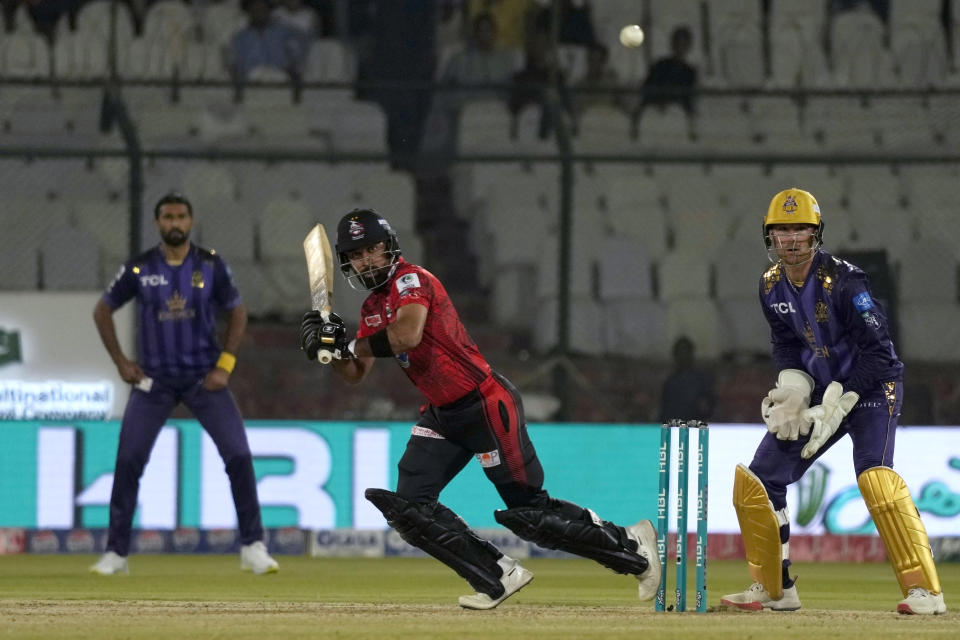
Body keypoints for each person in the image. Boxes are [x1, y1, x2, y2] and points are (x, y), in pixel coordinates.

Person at [298, 208, 660, 610]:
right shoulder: (371, 308)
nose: (366, 260)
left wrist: (346, 345)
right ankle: (497, 574)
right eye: (356, 254)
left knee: (528, 513)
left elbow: (406, 336)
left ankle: (633, 545)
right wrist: (326, 350)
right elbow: (355, 373)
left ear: (389, 247)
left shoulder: (412, 280)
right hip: (443, 414)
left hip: (484, 404)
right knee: (411, 508)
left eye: (372, 249)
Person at [720, 188, 947, 615]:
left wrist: (841, 404)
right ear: (770, 236)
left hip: (873, 388)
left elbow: (881, 354)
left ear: (816, 233)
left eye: (799, 229)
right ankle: (775, 589)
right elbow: (785, 343)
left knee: (875, 477)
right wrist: (793, 389)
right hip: (821, 391)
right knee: (760, 481)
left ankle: (926, 592)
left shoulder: (845, 281)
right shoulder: (770, 286)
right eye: (781, 230)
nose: (790, 239)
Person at [90, 192, 278, 577]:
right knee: (128, 461)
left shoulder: (211, 265)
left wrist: (225, 364)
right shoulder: (140, 268)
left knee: (239, 457)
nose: (174, 223)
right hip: (153, 382)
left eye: (180, 217)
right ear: (158, 223)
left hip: (202, 380)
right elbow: (102, 309)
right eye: (167, 217)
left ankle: (253, 547)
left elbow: (238, 313)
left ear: (190, 222)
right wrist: (122, 363)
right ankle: (116, 554)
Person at [637, 25, 697, 117]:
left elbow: (689, 99)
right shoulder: (659, 66)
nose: (680, 48)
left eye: (684, 44)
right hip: (655, 112)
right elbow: (648, 90)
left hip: (679, 115)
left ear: (688, 46)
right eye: (678, 43)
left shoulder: (690, 72)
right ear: (672, 44)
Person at [658, 336, 714, 423]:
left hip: (695, 424)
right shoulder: (670, 382)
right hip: (674, 426)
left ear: (691, 354)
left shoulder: (702, 379)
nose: (683, 356)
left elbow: (709, 405)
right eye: (680, 353)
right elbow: (664, 411)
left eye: (685, 352)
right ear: (675, 356)